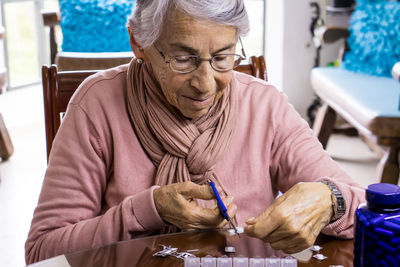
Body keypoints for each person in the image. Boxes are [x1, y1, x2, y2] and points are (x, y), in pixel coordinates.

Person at [25, 0, 365, 264]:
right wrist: (148, 209)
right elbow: (43, 252)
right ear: (138, 43)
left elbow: (372, 207)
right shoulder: (96, 104)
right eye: (183, 59)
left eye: (222, 57)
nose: (204, 85)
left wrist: (330, 199)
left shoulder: (264, 106)